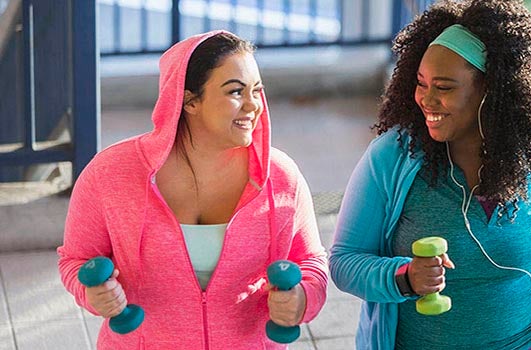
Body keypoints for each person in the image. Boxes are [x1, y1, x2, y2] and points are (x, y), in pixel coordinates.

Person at [329, 1, 531, 349]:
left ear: (491, 90)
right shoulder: (392, 156)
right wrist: (403, 277)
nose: (426, 99)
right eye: (421, 83)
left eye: (444, 87)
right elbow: (345, 261)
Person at [57, 31, 328, 349]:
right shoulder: (111, 174)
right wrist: (91, 294)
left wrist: (303, 298)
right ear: (189, 100)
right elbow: (75, 260)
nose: (254, 105)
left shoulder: (281, 177)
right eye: (235, 92)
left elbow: (310, 261)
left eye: (257, 90)